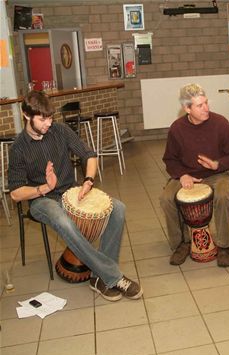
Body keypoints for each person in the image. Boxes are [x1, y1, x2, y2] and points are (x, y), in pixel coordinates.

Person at [8, 91, 143, 302]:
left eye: (50, 118)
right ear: (26, 115)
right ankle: (113, 276)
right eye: (42, 119)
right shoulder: (18, 148)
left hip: (70, 191)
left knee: (118, 208)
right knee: (64, 220)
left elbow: (89, 154)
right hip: (41, 200)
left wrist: (88, 181)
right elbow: (16, 193)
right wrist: (43, 187)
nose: (48, 123)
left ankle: (99, 277)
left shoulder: (60, 131)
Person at [160, 83, 229, 267]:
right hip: (187, 174)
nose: (206, 108)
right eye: (199, 105)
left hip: (217, 174)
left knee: (222, 195)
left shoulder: (220, 123)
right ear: (187, 108)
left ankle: (224, 245)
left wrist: (217, 164)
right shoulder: (177, 128)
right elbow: (170, 159)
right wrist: (182, 175)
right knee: (166, 198)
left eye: (206, 103)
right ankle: (181, 243)